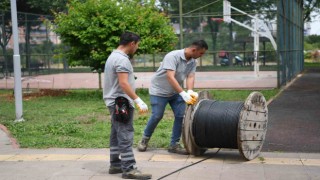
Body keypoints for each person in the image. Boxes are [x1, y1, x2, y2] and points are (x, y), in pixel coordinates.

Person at [137, 40, 208, 154]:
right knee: (157, 116)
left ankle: (174, 145)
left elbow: (190, 77)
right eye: (201, 53)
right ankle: (144, 140)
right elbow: (170, 77)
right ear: (194, 50)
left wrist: (189, 91)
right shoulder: (172, 56)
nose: (201, 56)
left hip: (175, 92)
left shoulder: (193, 61)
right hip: (159, 91)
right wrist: (183, 93)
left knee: (181, 116)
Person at [103, 32, 152, 179]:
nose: (137, 48)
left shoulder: (113, 56)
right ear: (132, 43)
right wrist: (138, 100)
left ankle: (115, 164)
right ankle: (129, 168)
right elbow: (123, 83)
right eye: (137, 45)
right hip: (120, 102)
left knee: (116, 132)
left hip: (114, 100)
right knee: (125, 133)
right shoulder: (122, 60)